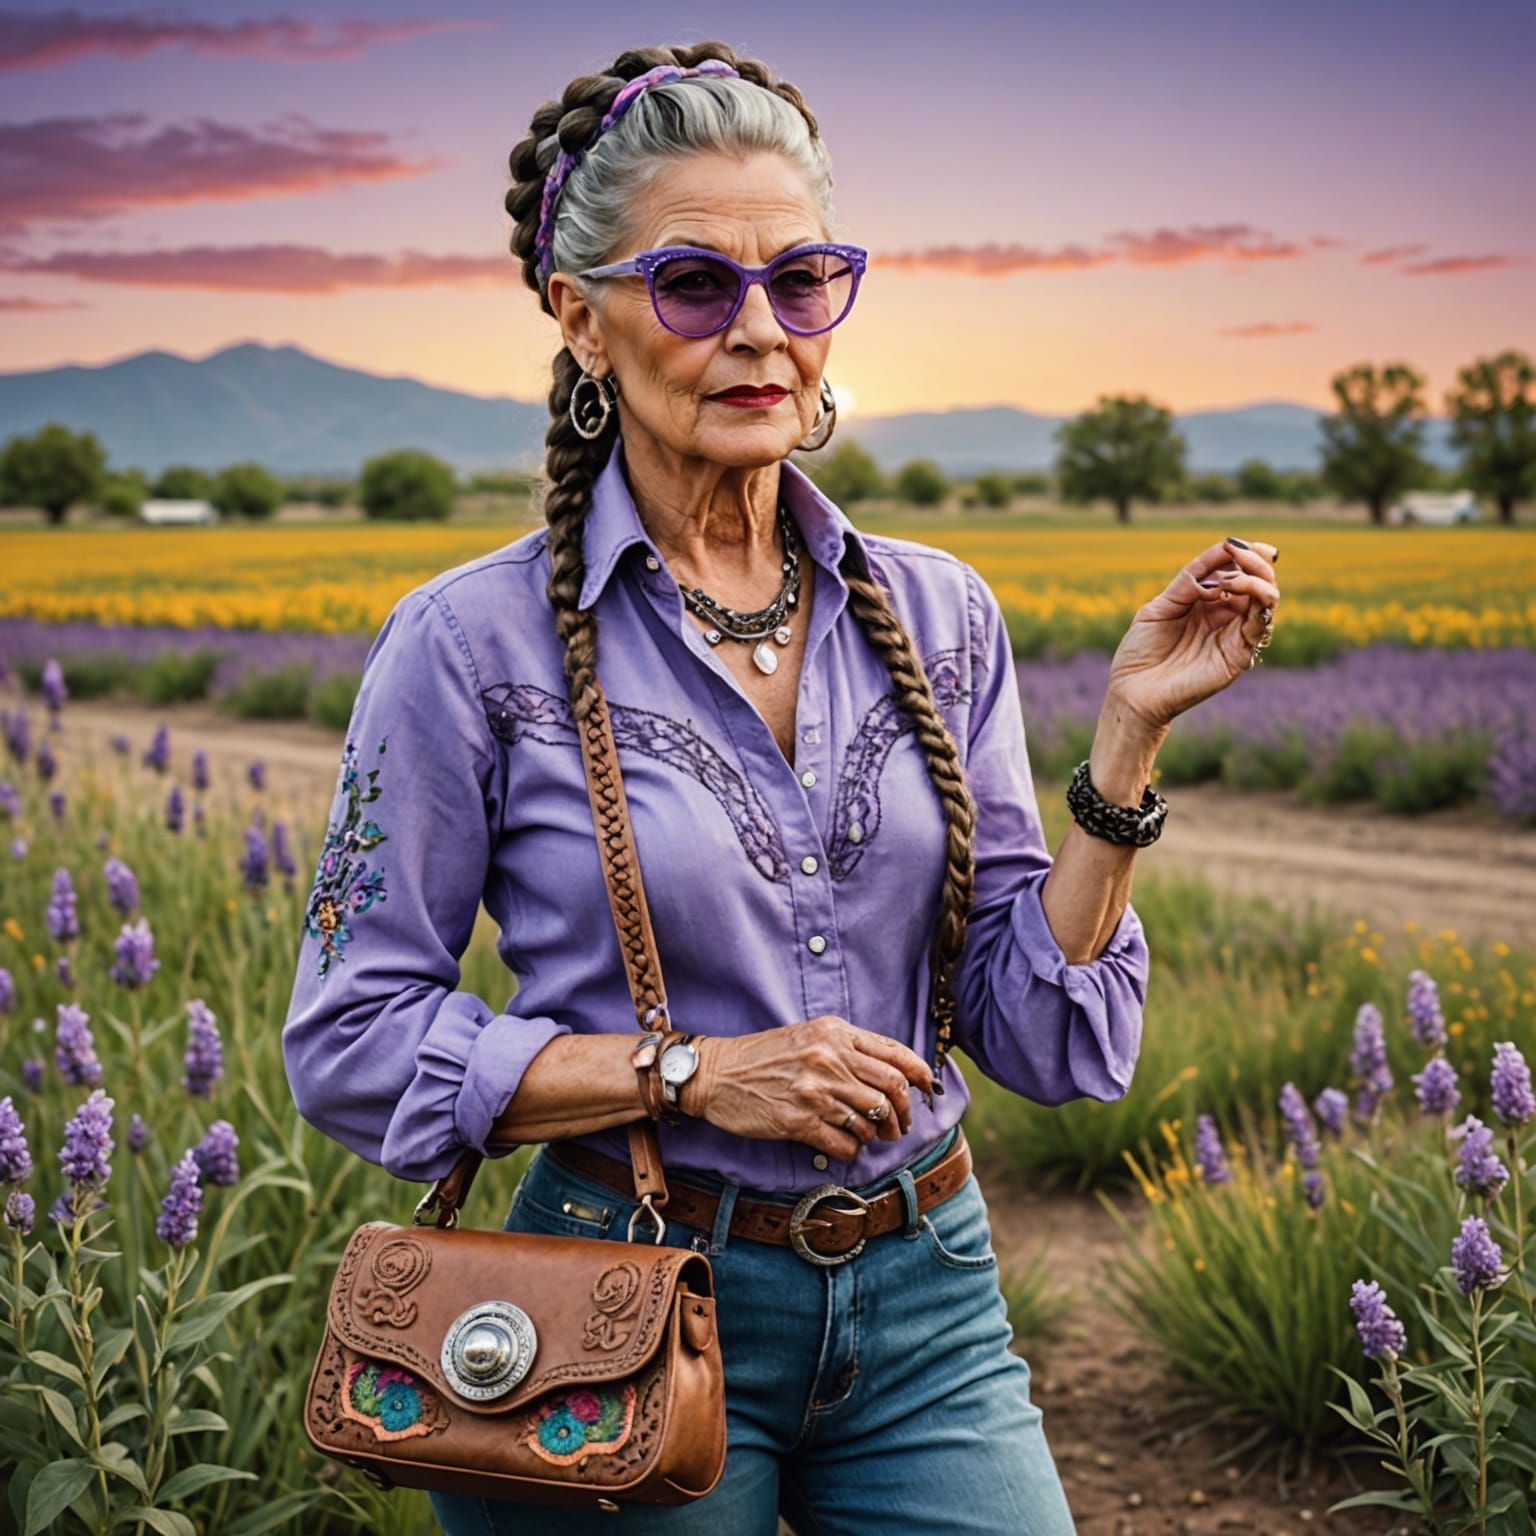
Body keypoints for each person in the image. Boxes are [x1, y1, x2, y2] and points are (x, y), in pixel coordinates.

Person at [281, 39, 1281, 1536]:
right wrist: (689, 1072)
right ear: (582, 319)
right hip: (618, 1303)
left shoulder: (939, 613)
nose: (761, 330)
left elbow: (1035, 1028)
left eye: (801, 281)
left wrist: (1127, 744)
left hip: (928, 1292)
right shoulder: (464, 648)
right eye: (695, 285)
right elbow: (351, 1034)